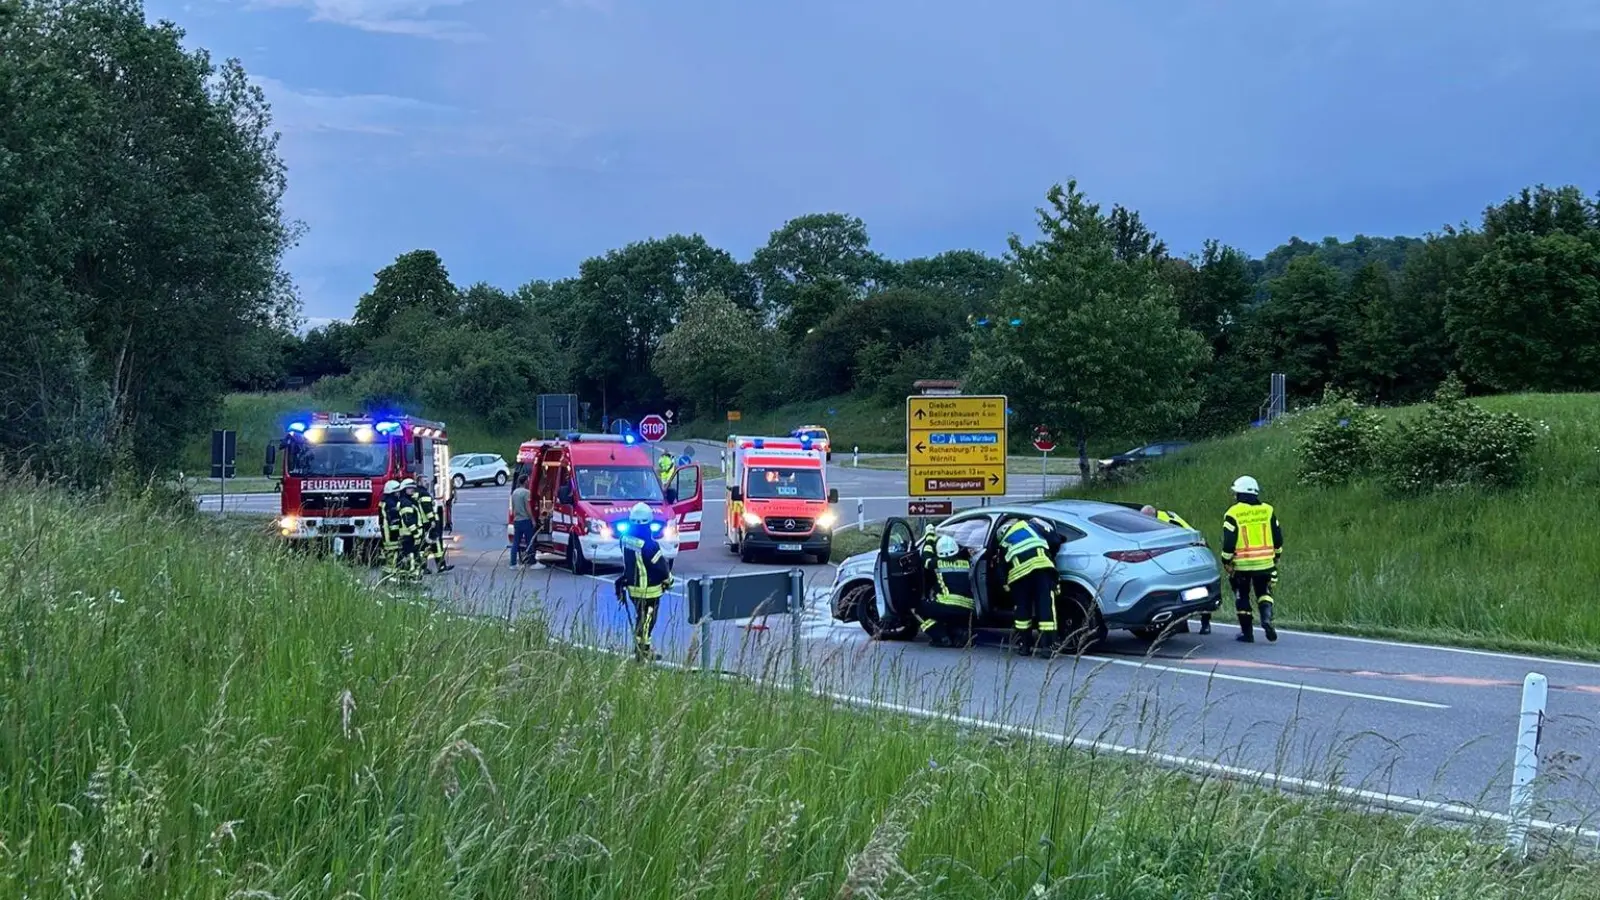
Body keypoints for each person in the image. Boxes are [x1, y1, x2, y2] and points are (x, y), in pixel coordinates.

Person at [1220, 475, 1283, 643]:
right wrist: (1277, 555)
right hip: (1265, 563)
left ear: (1239, 494)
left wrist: (1226, 561)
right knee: (1264, 592)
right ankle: (1266, 619)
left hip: (1242, 565)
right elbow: (1277, 536)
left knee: (1242, 596)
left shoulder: (1233, 513)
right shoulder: (1267, 510)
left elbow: (1229, 541)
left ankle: (1247, 634)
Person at [616, 502, 673, 661]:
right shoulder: (649, 545)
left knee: (641, 618)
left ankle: (640, 649)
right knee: (648, 621)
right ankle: (644, 653)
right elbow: (661, 568)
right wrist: (669, 580)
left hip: (632, 589)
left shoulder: (625, 539)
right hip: (649, 590)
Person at [1000, 516, 1059, 656]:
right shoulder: (1032, 528)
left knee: (1022, 610)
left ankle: (1025, 646)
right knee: (1046, 607)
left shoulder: (1004, 541)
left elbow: (1001, 568)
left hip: (1020, 577)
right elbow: (1055, 541)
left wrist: (1005, 585)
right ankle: (1047, 647)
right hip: (1043, 570)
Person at [1140, 504, 1199, 633]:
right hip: (1195, 549)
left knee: (1180, 591)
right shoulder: (1169, 515)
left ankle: (1182, 624)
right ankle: (1195, 624)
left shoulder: (1158, 524)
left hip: (1183, 553)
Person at [919, 536, 976, 648]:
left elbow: (925, 557)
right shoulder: (966, 562)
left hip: (947, 605)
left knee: (918, 608)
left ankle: (940, 637)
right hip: (968, 609)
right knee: (952, 615)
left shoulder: (937, 563)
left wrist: (929, 537)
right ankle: (959, 633)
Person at [412, 478, 453, 573]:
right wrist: (432, 520)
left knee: (424, 546)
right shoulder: (424, 494)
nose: (427, 482)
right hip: (428, 523)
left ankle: (424, 567)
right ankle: (440, 566)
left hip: (421, 523)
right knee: (436, 543)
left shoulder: (416, 493)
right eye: (424, 481)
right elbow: (427, 508)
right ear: (419, 482)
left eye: (427, 480)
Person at [393, 480, 424, 580]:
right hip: (408, 535)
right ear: (403, 489)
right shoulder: (405, 503)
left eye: (413, 488)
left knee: (410, 556)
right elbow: (408, 520)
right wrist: (415, 533)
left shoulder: (409, 501)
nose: (412, 490)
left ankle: (408, 577)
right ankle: (411, 578)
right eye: (409, 488)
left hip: (409, 534)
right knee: (412, 556)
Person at [378, 479, 404, 577]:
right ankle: (392, 574)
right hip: (390, 532)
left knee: (389, 553)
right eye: (397, 491)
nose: (398, 493)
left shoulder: (384, 501)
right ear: (392, 491)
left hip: (385, 530)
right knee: (393, 552)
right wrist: (397, 534)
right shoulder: (391, 503)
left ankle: (388, 572)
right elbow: (394, 520)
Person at [509, 478, 535, 568]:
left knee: (516, 542)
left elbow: (513, 507)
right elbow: (527, 507)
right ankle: (531, 561)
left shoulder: (514, 492)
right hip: (525, 520)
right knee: (529, 541)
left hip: (517, 520)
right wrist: (532, 519)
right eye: (527, 480)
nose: (528, 481)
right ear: (525, 482)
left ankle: (513, 563)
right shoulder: (526, 492)